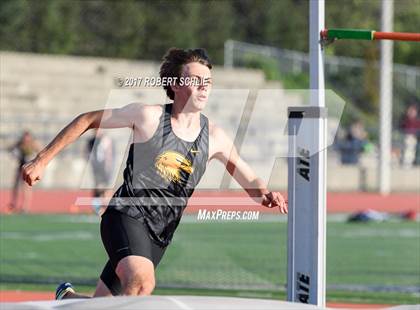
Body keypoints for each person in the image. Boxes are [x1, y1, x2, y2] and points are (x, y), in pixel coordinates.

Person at [21, 48, 288, 299]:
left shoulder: (215, 137)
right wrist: (42, 160)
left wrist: (265, 194)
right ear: (175, 84)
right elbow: (88, 119)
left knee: (103, 304)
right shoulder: (148, 116)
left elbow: (249, 178)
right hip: (126, 216)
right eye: (196, 79)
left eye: (208, 80)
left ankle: (67, 300)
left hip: (160, 235)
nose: (204, 86)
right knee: (141, 285)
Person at [8, 130, 41, 213]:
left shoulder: (32, 144)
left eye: (27, 138)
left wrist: (34, 160)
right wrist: (14, 153)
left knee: (26, 188)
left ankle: (25, 207)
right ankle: (14, 204)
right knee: (16, 187)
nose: (26, 140)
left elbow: (40, 151)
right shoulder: (20, 144)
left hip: (28, 168)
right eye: (25, 138)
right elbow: (10, 148)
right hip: (20, 167)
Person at [86, 129, 115, 215]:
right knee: (98, 187)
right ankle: (98, 208)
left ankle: (107, 208)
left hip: (105, 167)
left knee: (107, 188)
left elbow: (109, 154)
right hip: (96, 168)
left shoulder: (106, 140)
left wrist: (108, 166)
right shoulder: (91, 141)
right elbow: (88, 153)